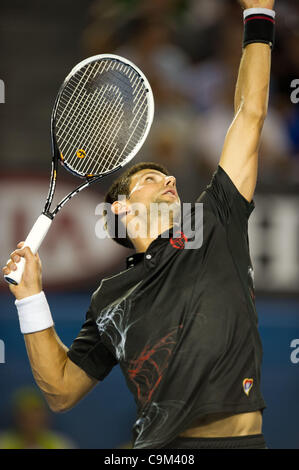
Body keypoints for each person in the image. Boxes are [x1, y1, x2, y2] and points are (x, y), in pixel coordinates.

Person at [3, 0, 275, 449]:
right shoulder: (110, 298)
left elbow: (250, 113)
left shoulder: (215, 223)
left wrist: (259, 16)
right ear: (121, 211)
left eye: (167, 175)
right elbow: (62, 391)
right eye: (150, 178)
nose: (170, 178)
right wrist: (31, 300)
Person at [0, 387, 75, 449]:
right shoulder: (3, 443)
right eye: (25, 415)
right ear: (17, 417)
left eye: (35, 413)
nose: (31, 419)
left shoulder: (60, 444)